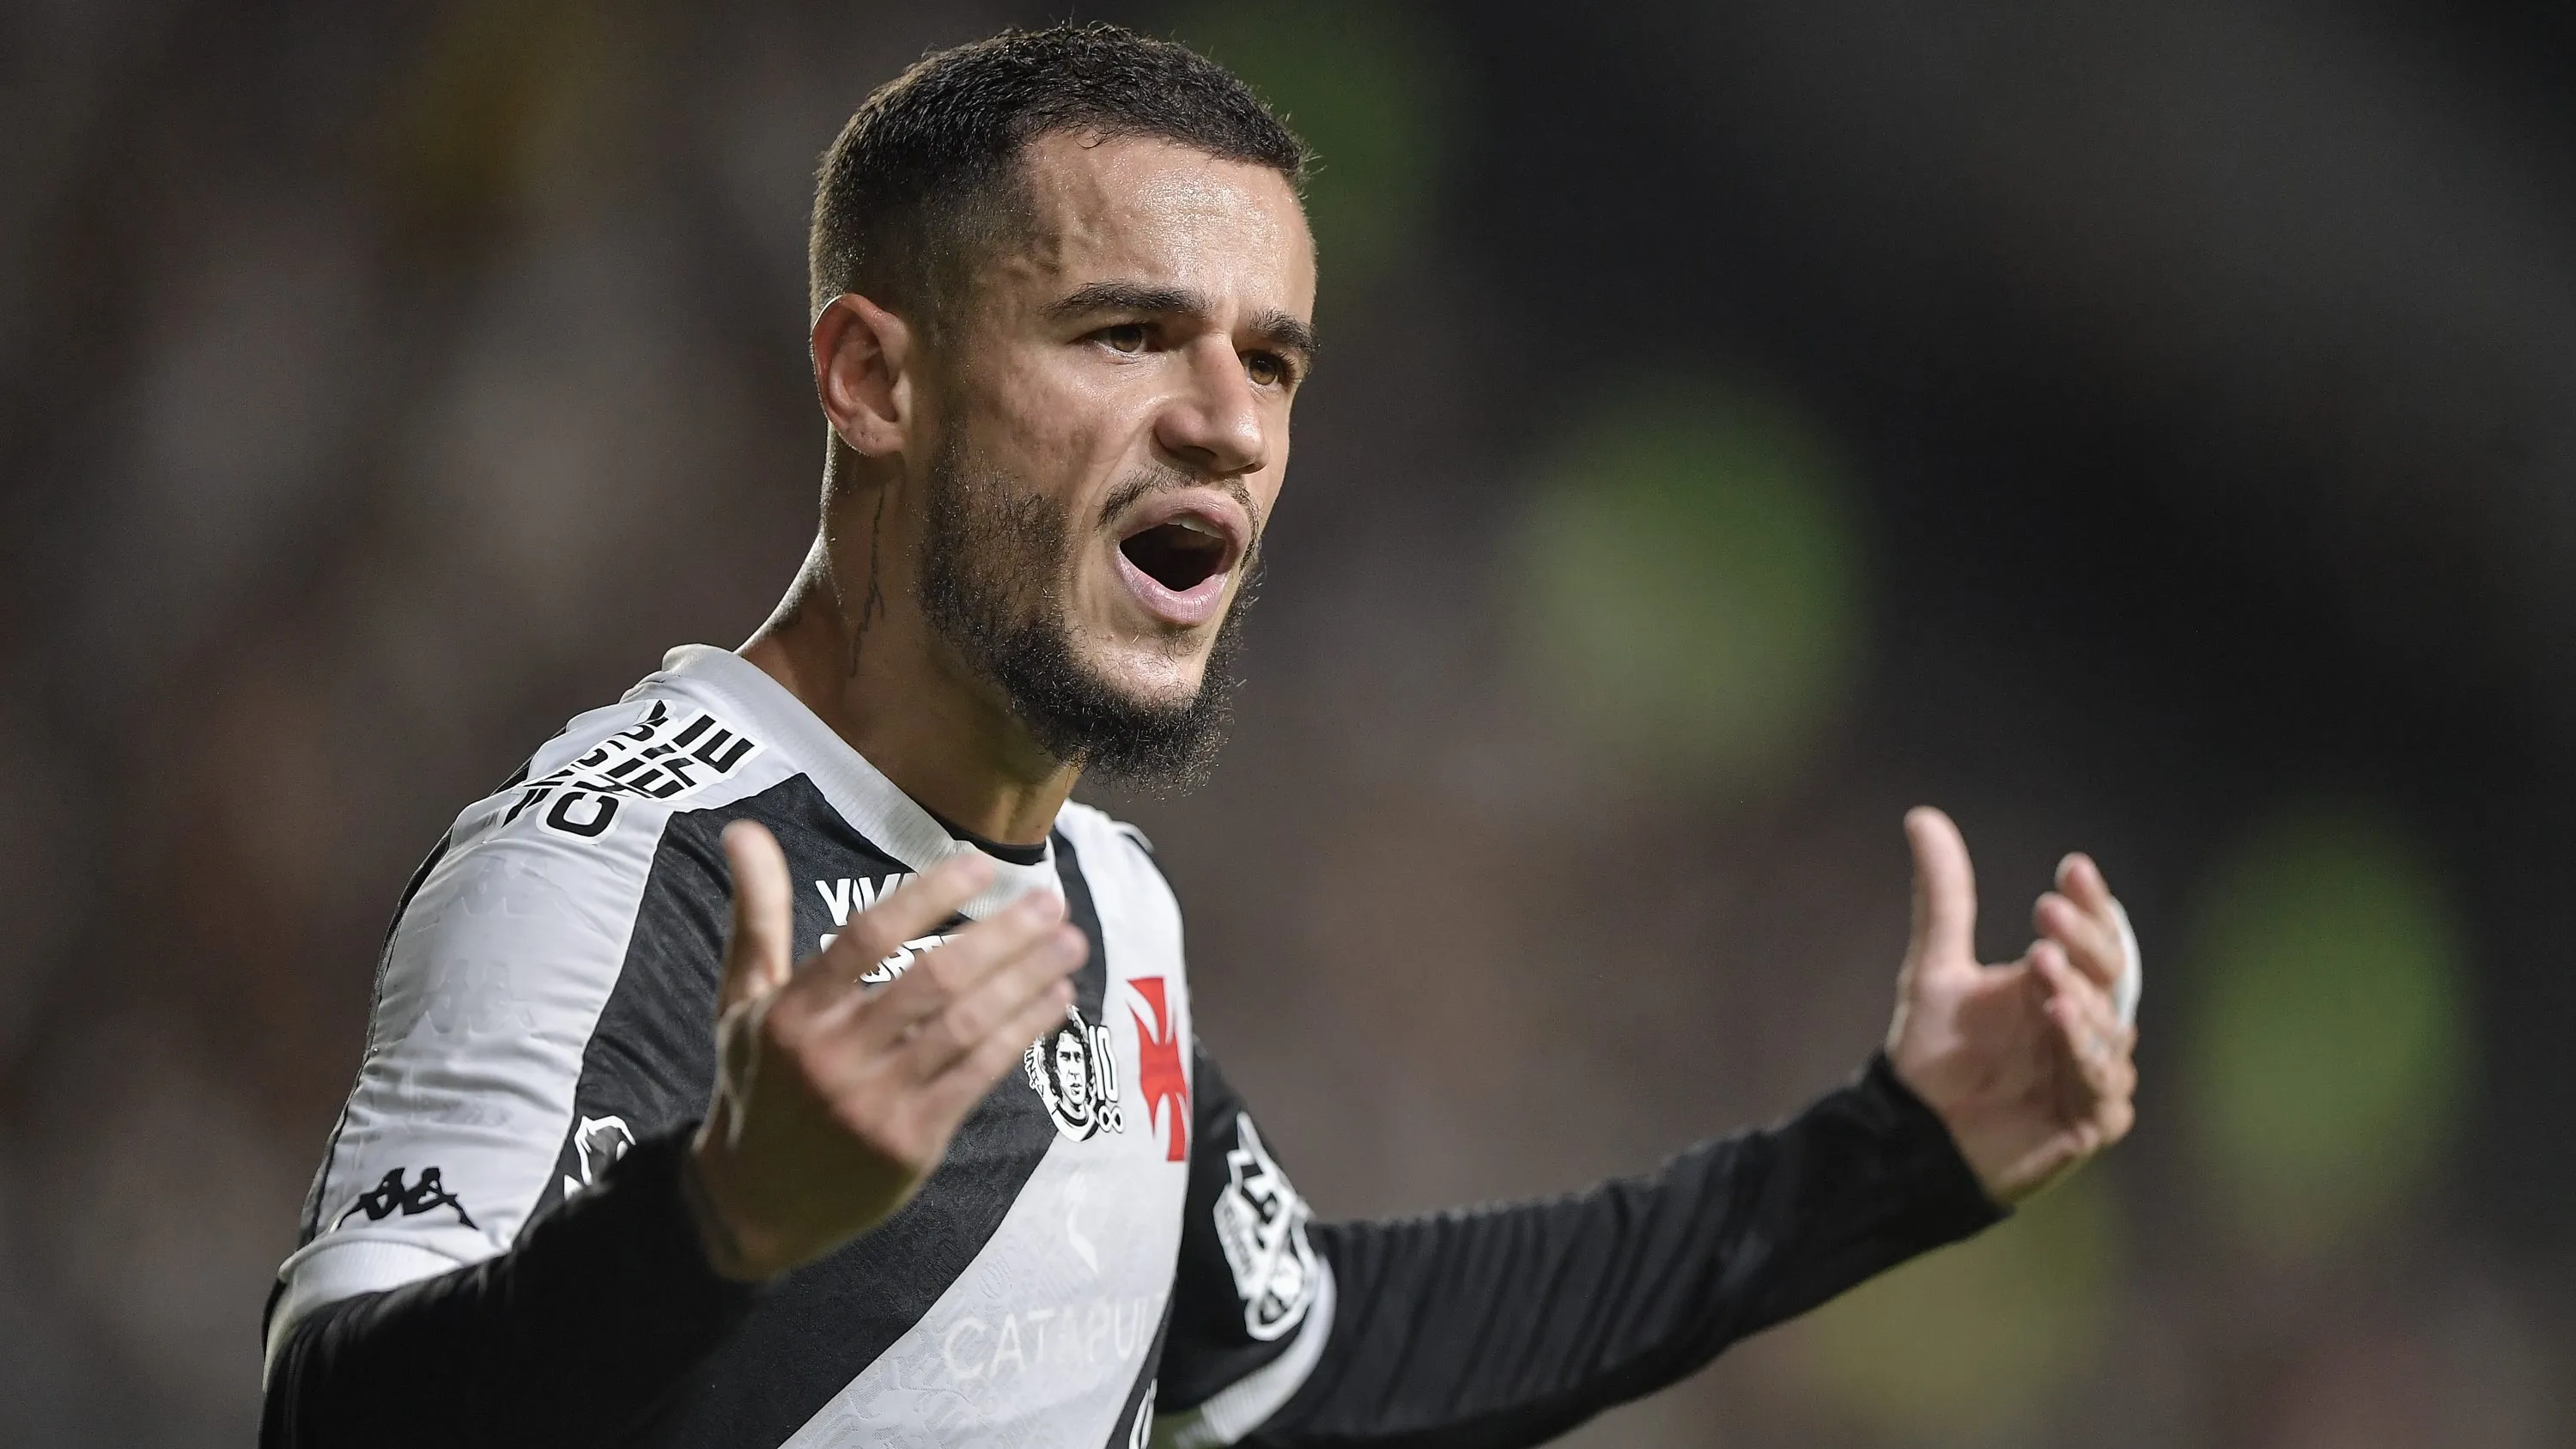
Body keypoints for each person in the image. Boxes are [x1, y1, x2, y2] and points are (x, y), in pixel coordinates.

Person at [258, 23, 2141, 1449]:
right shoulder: (614, 873)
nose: (1230, 422)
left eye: (1274, 359)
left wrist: (1895, 1162)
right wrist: (717, 1224)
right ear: (874, 376)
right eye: (1124, 334)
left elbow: (1311, 1351)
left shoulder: (1102, 912)